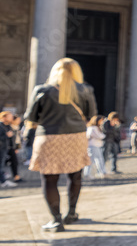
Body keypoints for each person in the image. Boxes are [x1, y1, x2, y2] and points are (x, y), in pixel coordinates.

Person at [25, 57, 97, 231]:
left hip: (49, 137)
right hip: (75, 136)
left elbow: (31, 117)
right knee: (75, 176)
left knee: (50, 180)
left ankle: (56, 220)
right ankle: (71, 213)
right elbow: (92, 114)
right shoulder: (85, 89)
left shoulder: (42, 90)